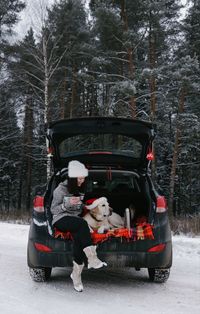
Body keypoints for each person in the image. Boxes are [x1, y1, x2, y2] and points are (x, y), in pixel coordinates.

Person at [50, 160, 107, 292]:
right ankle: (92, 258)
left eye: (83, 178)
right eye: (80, 178)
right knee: (82, 224)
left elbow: (79, 208)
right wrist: (66, 205)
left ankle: (76, 276)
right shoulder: (60, 189)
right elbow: (53, 210)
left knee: (79, 240)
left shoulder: (79, 189)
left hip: (75, 220)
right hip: (61, 218)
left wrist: (85, 206)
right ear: (73, 178)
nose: (82, 181)